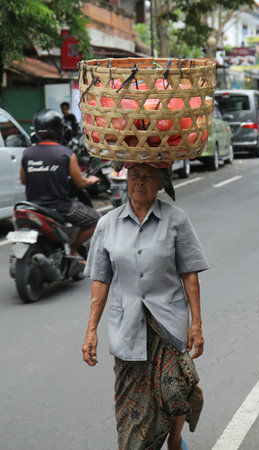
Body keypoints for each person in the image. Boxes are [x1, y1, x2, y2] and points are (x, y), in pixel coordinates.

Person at [82, 162, 209, 450]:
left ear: (161, 184)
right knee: (133, 403)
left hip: (168, 322)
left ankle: (175, 440)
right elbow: (100, 280)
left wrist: (197, 324)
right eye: (134, 176)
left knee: (176, 390)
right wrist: (91, 330)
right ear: (125, 181)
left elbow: (189, 273)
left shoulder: (175, 220)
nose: (139, 182)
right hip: (127, 326)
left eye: (148, 177)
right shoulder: (107, 224)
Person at [20, 109, 100, 261]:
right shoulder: (66, 154)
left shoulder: (27, 153)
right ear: (59, 129)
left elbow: (24, 180)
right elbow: (80, 182)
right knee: (96, 220)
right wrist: (92, 180)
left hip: (34, 206)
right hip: (62, 207)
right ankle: (73, 248)